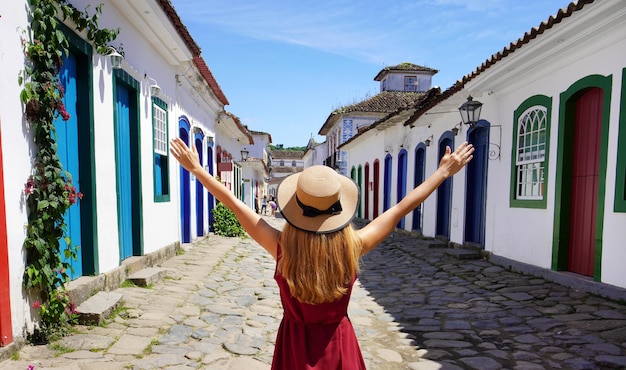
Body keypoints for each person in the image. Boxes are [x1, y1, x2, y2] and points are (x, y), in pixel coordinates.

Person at [169, 138, 474, 370]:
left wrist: (196, 169)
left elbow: (236, 204)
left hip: (293, 347)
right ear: (338, 209)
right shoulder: (352, 246)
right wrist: (442, 173)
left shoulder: (281, 248)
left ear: (295, 208)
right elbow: (398, 210)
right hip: (339, 346)